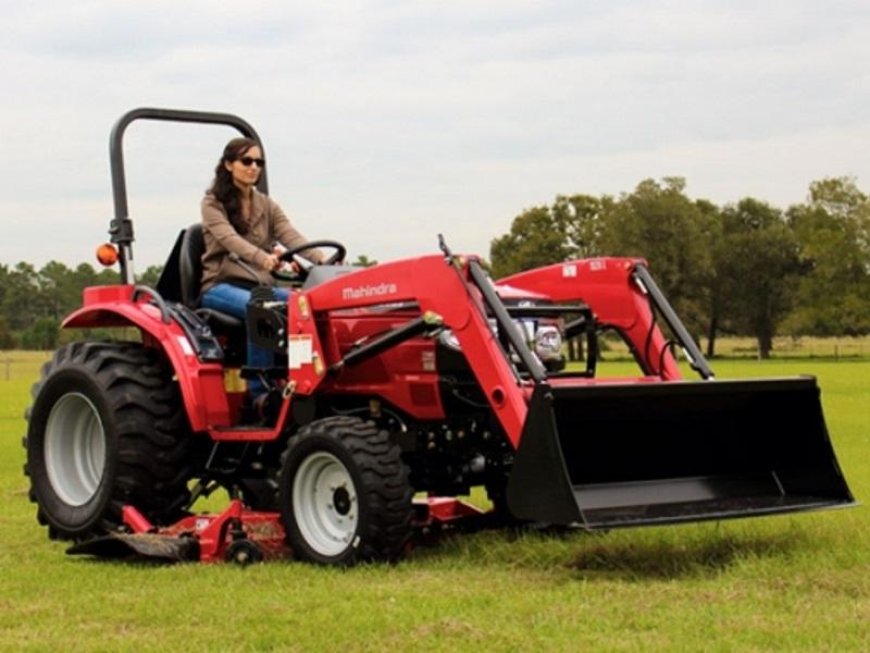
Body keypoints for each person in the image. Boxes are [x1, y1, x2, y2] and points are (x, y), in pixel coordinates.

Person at [200, 137, 322, 413]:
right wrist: (262, 258)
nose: (254, 167)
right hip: (221, 285)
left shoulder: (266, 204)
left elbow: (290, 235)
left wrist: (322, 261)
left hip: (259, 284)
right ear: (229, 165)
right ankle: (260, 393)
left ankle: (307, 378)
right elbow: (230, 239)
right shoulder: (213, 204)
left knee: (303, 303)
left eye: (259, 162)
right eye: (246, 161)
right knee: (262, 308)